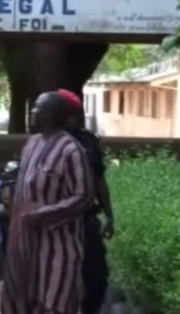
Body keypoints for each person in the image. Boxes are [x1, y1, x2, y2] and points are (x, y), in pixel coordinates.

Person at [0, 92, 94, 314]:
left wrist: (44, 214)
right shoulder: (32, 143)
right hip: (24, 245)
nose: (32, 112)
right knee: (22, 300)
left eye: (37, 108)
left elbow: (84, 197)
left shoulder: (71, 150)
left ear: (51, 114)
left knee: (54, 300)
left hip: (57, 246)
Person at [57, 89, 114, 314]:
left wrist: (110, 216)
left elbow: (99, 180)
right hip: (57, 224)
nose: (73, 118)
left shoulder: (89, 141)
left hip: (86, 220)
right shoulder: (45, 143)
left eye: (75, 113)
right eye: (67, 113)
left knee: (96, 278)